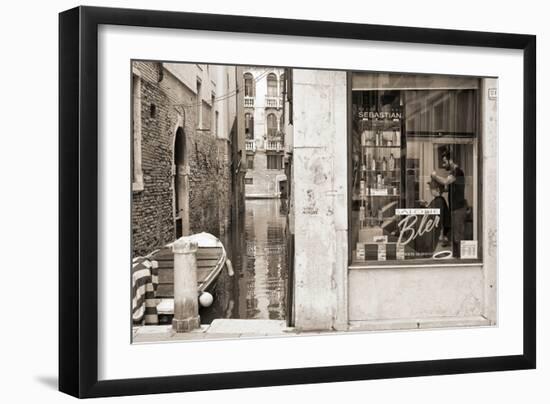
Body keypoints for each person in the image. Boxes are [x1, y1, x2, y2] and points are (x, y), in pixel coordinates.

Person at [430, 148, 467, 257]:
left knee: (458, 236)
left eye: (445, 161)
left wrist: (435, 176)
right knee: (455, 235)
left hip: (459, 208)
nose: (443, 164)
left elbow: (446, 181)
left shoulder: (457, 171)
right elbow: (447, 187)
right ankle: (456, 257)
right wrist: (436, 188)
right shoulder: (453, 173)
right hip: (455, 208)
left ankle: (460, 259)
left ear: (451, 160)